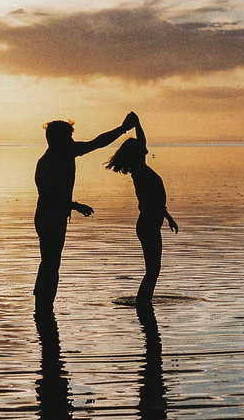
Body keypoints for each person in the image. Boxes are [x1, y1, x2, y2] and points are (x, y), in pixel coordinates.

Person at [34, 112, 137, 307]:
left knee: (51, 263)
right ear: (58, 139)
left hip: (54, 215)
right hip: (48, 217)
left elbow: (97, 142)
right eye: (69, 137)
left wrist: (123, 129)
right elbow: (49, 198)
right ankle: (43, 305)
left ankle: (44, 306)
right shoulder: (47, 163)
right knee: (50, 263)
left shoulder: (65, 152)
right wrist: (75, 205)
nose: (72, 140)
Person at [105, 114, 178, 305]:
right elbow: (151, 203)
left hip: (151, 224)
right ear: (137, 154)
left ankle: (143, 304)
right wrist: (136, 124)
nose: (145, 150)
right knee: (153, 270)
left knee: (153, 269)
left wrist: (168, 217)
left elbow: (156, 202)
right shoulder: (140, 172)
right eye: (141, 149)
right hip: (148, 225)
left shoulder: (141, 169)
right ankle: (142, 304)